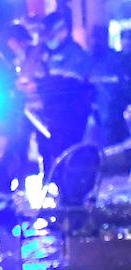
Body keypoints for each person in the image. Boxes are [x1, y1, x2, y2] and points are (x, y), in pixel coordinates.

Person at [33, 10, 95, 200]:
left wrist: (44, 85)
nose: (49, 39)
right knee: (56, 156)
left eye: (51, 34)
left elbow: (67, 87)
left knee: (70, 158)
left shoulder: (75, 55)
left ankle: (73, 201)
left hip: (70, 117)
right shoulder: (53, 55)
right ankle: (64, 198)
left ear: (63, 31)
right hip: (56, 116)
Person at [0, 23, 36, 223]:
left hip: (7, 121)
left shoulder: (5, 60)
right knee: (2, 161)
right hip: (0, 122)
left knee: (9, 162)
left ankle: (6, 205)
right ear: (12, 41)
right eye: (21, 43)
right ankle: (1, 210)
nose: (22, 48)